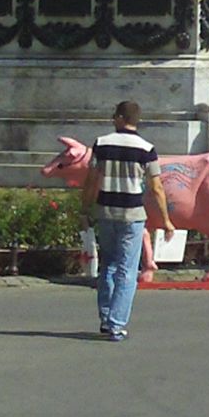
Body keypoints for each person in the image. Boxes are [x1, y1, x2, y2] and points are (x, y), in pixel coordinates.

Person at [79, 101, 174, 342]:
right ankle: (117, 323)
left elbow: (91, 180)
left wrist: (84, 208)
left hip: (106, 210)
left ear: (121, 118)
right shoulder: (147, 149)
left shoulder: (101, 143)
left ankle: (106, 316)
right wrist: (165, 220)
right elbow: (157, 187)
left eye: (114, 116)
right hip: (132, 214)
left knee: (108, 265)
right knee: (127, 270)